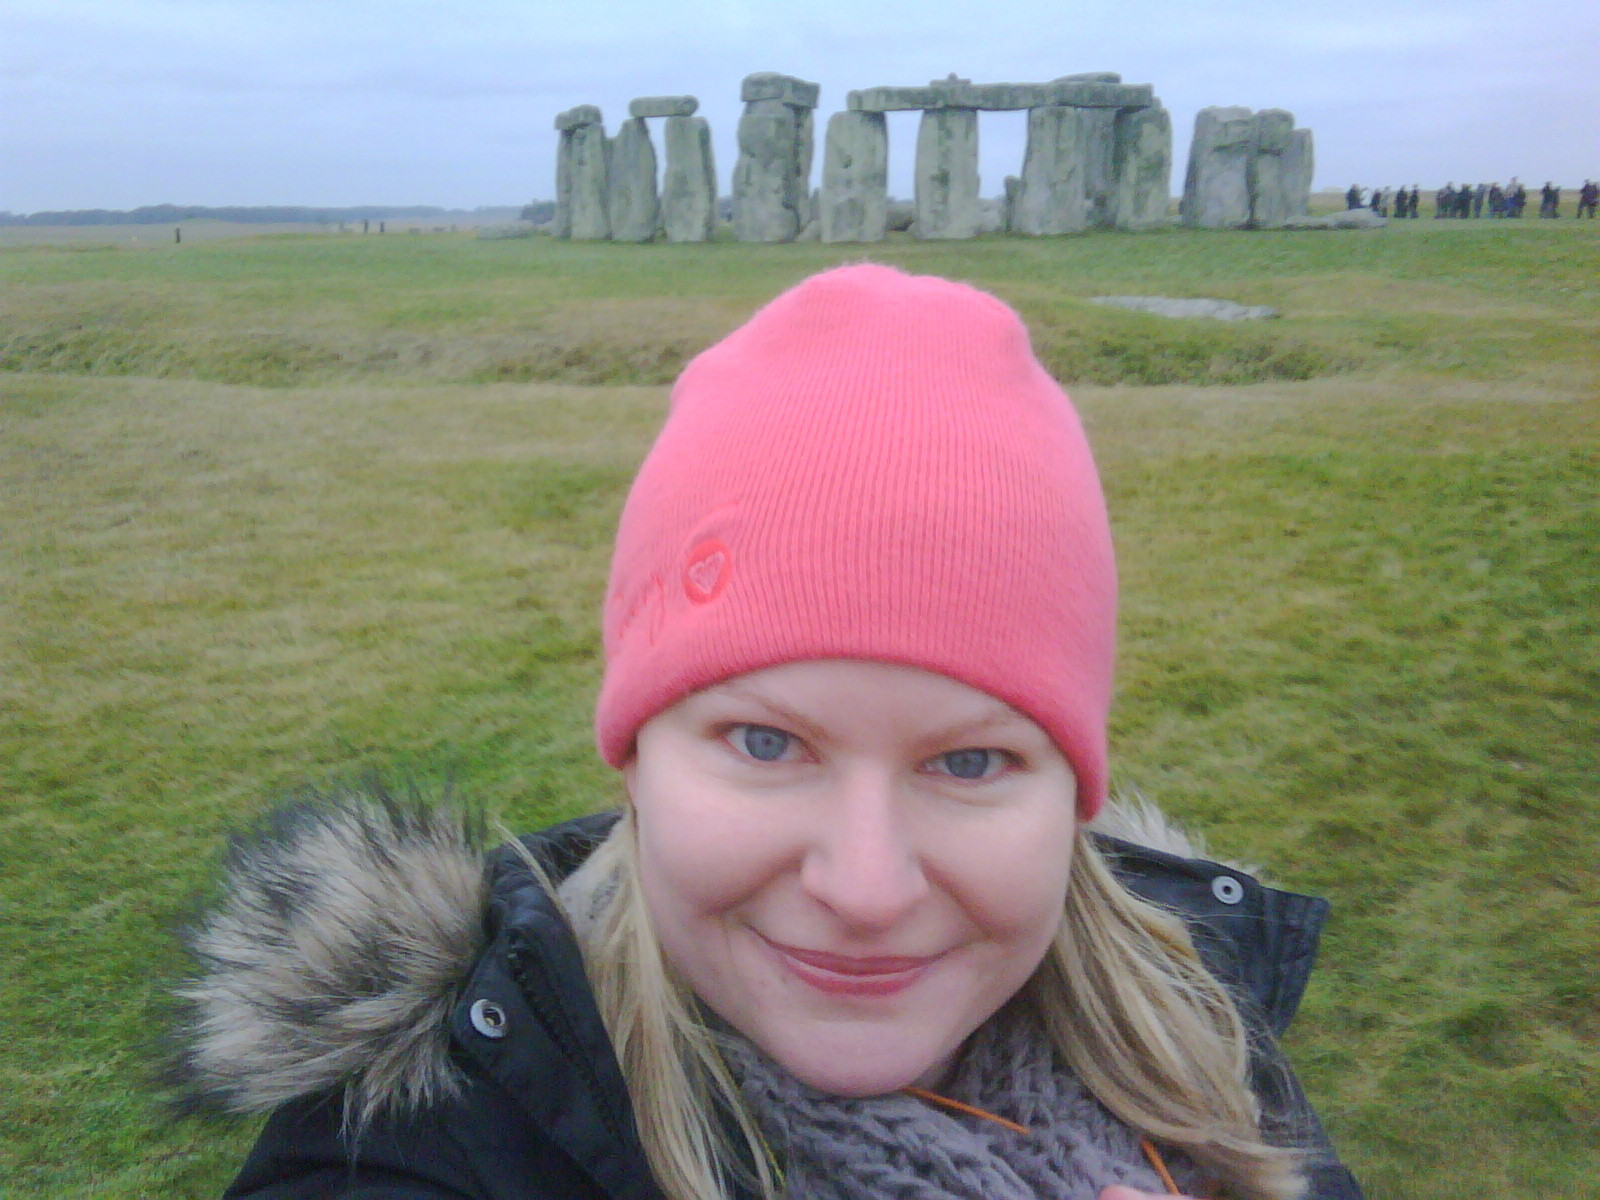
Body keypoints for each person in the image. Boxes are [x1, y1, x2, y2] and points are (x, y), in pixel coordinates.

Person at [174, 266, 1365, 1200]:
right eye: (763, 743)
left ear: (1074, 792)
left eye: (968, 760)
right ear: (635, 757)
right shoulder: (412, 1154)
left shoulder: (1196, 1041)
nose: (862, 886)